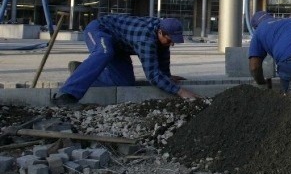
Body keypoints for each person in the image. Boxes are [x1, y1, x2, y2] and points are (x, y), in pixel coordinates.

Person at [54, 15, 201, 107]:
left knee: (124, 82)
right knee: (104, 52)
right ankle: (67, 95)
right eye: (169, 40)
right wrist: (180, 91)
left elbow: (162, 61)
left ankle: (80, 70)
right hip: (100, 30)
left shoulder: (162, 36)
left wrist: (167, 77)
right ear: (160, 32)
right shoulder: (146, 39)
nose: (171, 44)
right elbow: (153, 76)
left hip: (120, 45)